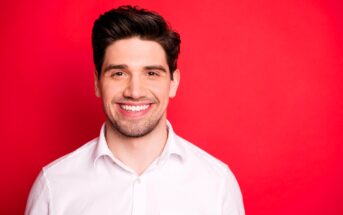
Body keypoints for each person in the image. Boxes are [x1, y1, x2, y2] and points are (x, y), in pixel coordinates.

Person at [25, 5, 245, 215]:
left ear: (173, 82)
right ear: (97, 83)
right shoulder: (53, 186)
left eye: (151, 73)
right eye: (119, 73)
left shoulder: (217, 184)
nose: (135, 91)